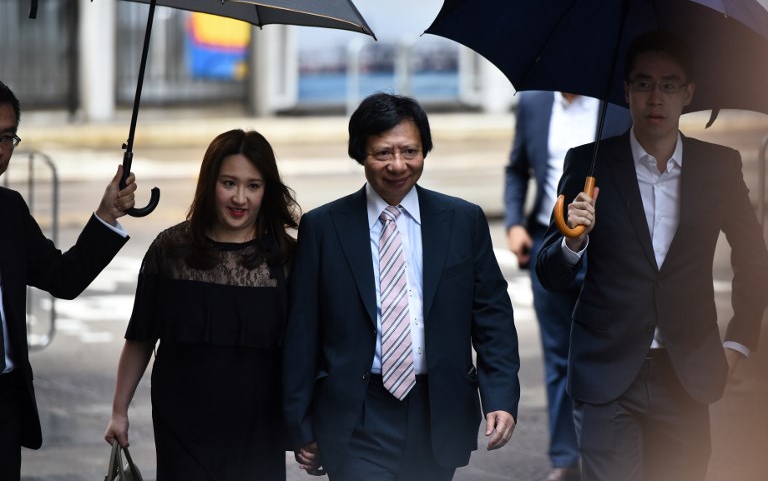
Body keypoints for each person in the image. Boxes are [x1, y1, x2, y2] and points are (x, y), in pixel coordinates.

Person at [535, 30, 768, 481]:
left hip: (687, 374)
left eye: (668, 84)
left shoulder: (718, 166)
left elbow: (754, 258)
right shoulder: (589, 164)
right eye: (643, 84)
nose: (655, 97)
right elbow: (550, 273)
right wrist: (574, 241)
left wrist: (738, 343)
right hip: (606, 373)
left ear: (688, 93)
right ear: (626, 92)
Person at [282, 92, 520, 480]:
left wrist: (501, 397)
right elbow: (302, 332)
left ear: (425, 150)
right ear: (360, 153)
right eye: (382, 153)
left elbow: (492, 317)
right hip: (356, 412)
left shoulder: (463, 221)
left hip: (437, 409)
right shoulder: (324, 228)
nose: (398, 165)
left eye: (410, 151)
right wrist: (300, 424)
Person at [104, 129, 300, 480]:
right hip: (182, 426)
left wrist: (308, 424)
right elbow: (141, 337)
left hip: (258, 430)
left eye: (253, 186)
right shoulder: (169, 252)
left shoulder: (287, 258)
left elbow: (308, 349)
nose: (240, 198)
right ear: (209, 182)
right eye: (229, 183)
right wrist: (119, 411)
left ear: (266, 190)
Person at [0, 80, 137, 480]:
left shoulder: (9, 210)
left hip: (6, 405)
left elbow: (63, 277)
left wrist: (106, 215)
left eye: (8, 136)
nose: (0, 149)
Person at [504, 91, 631, 481]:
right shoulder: (534, 103)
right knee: (558, 358)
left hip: (607, 247)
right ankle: (565, 458)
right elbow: (517, 168)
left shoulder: (618, 106)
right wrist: (514, 223)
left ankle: (614, 450)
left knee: (613, 354)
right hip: (550, 242)